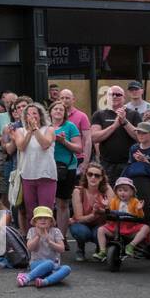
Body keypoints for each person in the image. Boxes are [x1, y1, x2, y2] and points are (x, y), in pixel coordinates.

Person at [14, 103, 57, 228]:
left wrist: (36, 130)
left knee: (46, 212)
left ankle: (48, 241)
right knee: (31, 212)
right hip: (28, 176)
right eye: (28, 114)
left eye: (34, 113)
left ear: (40, 116)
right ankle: (32, 240)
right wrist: (29, 132)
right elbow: (21, 146)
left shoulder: (49, 129)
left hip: (46, 175)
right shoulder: (20, 131)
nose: (31, 116)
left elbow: (45, 144)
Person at [49, 101, 82, 236]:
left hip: (67, 168)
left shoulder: (70, 126)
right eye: (55, 109)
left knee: (63, 203)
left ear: (65, 113)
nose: (58, 111)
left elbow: (78, 148)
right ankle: (49, 235)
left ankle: (62, 237)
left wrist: (64, 142)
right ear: (50, 112)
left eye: (61, 110)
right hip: (48, 168)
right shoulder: (45, 126)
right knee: (49, 202)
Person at [17, 206, 70, 287]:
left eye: (46, 218)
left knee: (66, 268)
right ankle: (27, 277)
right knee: (49, 263)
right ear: (35, 222)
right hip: (36, 264)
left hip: (54, 266)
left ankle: (44, 282)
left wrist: (49, 241)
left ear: (51, 221)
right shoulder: (32, 231)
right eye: (39, 218)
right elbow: (30, 248)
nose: (43, 220)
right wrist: (38, 236)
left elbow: (62, 249)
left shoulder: (56, 231)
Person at [68, 162, 110, 261]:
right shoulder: (78, 191)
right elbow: (78, 218)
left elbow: (113, 212)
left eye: (97, 175)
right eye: (90, 174)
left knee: (101, 232)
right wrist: (94, 215)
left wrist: (102, 210)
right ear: (86, 175)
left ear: (102, 178)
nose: (93, 177)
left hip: (100, 224)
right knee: (81, 232)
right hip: (82, 223)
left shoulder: (107, 189)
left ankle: (100, 248)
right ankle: (80, 247)